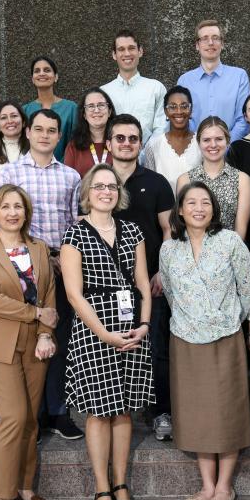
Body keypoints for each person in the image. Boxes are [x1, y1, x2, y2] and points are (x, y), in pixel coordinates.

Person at [60, 164, 154, 500]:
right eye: (99, 186)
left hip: (131, 329)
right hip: (93, 331)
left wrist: (144, 324)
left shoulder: (132, 230)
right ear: (87, 192)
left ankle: (121, 484)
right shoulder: (75, 234)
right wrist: (103, 333)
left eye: (111, 186)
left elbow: (143, 284)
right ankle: (102, 488)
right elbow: (73, 293)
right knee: (99, 411)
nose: (106, 192)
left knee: (125, 409)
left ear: (119, 192)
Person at [161, 182, 250, 500]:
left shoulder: (230, 242)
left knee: (226, 412)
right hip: (185, 339)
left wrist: (229, 320)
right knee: (197, 413)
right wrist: (192, 320)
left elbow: (248, 287)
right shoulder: (169, 248)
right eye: (191, 202)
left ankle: (224, 486)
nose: (198, 208)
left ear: (214, 209)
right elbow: (171, 294)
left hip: (224, 337)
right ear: (180, 210)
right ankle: (206, 485)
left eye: (205, 202)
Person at [0, 184, 59, 500]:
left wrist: (45, 334)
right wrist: (36, 316)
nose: (12, 212)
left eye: (18, 207)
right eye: (5, 206)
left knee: (31, 420)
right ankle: (2, 498)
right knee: (14, 416)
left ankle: (24, 489)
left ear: (26, 212)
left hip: (36, 345)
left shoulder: (38, 249)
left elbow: (49, 293)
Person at [0, 108, 84, 441]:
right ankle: (31, 414)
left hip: (60, 267)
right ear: (27, 132)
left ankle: (58, 412)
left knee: (58, 337)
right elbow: (1, 219)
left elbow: (75, 223)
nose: (45, 135)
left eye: (52, 131)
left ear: (59, 137)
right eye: (39, 129)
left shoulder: (71, 177)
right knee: (26, 337)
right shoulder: (9, 173)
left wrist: (66, 257)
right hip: (21, 266)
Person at [107, 114, 175, 441]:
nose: (126, 143)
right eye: (120, 138)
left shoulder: (157, 182)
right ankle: (118, 413)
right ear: (108, 143)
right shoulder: (97, 183)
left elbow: (168, 230)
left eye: (132, 138)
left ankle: (160, 411)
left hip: (150, 283)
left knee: (157, 348)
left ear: (139, 143)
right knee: (113, 348)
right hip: (107, 287)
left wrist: (162, 269)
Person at [176, 19, 250, 141]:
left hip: (231, 152)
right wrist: (198, 147)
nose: (210, 43)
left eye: (215, 38)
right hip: (194, 152)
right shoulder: (184, 81)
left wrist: (225, 145)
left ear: (222, 44)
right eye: (204, 38)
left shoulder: (239, 77)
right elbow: (180, 120)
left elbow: (244, 119)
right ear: (197, 45)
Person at [176, 117, 250, 239]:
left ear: (227, 141)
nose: (213, 145)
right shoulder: (185, 180)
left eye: (219, 139)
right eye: (206, 140)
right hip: (193, 253)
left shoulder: (242, 180)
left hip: (231, 253)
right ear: (199, 142)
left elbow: (240, 232)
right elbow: (182, 226)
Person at [101, 29, 166, 142]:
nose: (127, 53)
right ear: (114, 55)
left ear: (140, 51)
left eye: (131, 48)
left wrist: (145, 155)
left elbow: (161, 128)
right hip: (112, 157)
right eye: (121, 49)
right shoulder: (103, 92)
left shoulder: (156, 88)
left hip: (148, 157)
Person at [142, 85, 202, 190]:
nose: (179, 111)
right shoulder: (153, 145)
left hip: (196, 205)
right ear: (165, 112)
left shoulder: (201, 142)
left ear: (191, 110)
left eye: (184, 106)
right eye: (173, 107)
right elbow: (149, 185)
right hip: (163, 206)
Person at [22, 55, 78, 158]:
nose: (42, 73)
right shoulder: (25, 110)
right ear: (32, 79)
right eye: (37, 71)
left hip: (64, 168)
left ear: (56, 77)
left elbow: (75, 144)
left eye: (47, 70)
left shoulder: (71, 109)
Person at [64, 88, 116, 176]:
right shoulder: (74, 146)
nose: (96, 110)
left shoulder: (119, 143)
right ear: (84, 114)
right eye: (91, 106)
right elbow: (68, 181)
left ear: (109, 112)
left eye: (101, 105)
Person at [0, 101, 30, 179]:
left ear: (23, 122)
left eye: (14, 116)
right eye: (3, 118)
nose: (10, 121)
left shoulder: (35, 149)